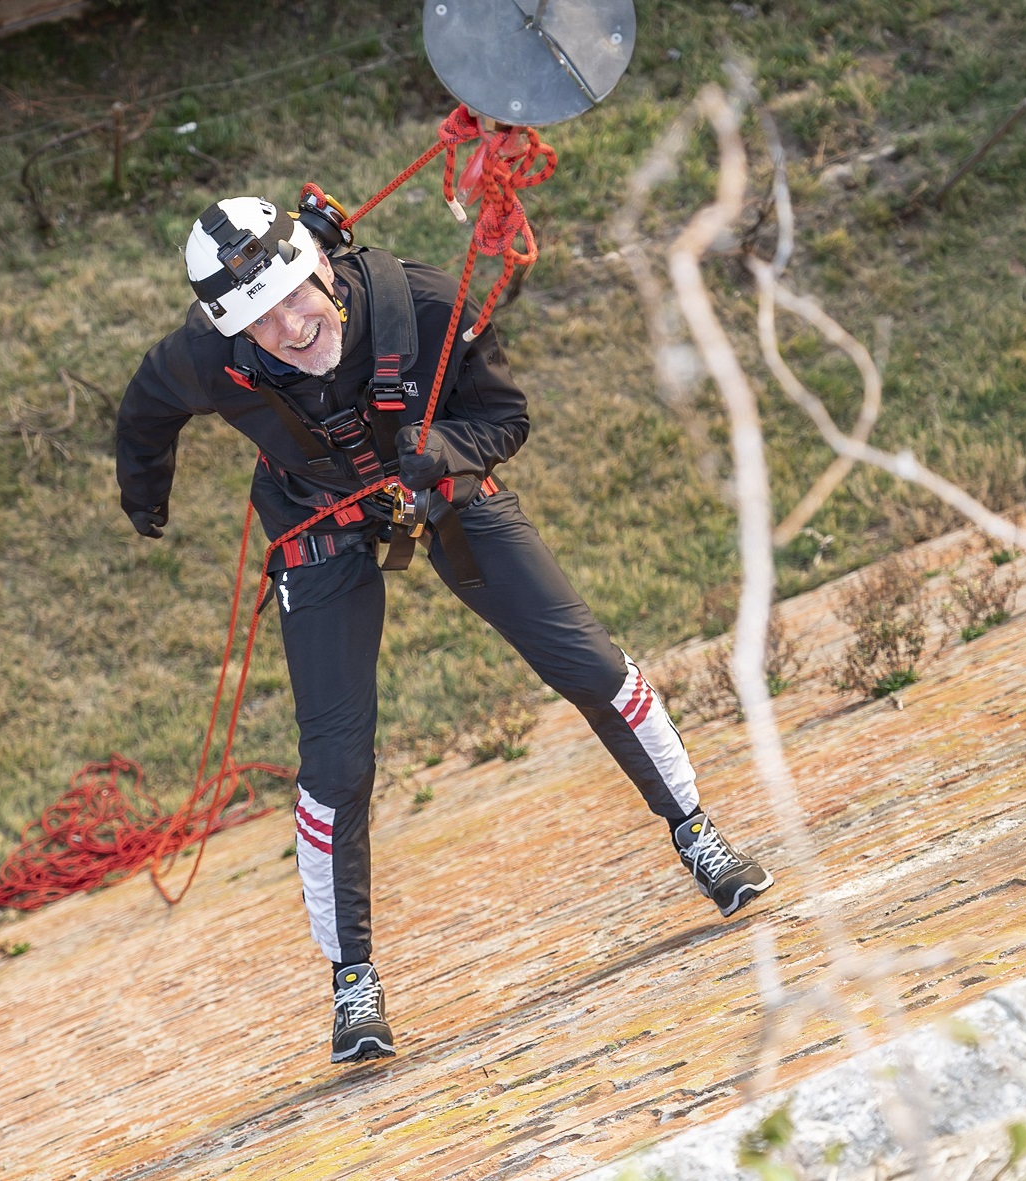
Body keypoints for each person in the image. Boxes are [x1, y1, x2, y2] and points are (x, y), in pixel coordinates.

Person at [116, 194, 773, 1064]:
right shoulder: (210, 352)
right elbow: (144, 406)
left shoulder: (425, 305)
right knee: (336, 760)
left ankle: (696, 831)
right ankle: (354, 981)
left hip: (442, 491)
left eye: (295, 297)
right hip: (321, 522)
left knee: (583, 659)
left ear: (318, 263)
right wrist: (144, 491)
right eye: (261, 320)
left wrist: (451, 457)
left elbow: (507, 417)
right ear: (229, 327)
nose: (290, 325)